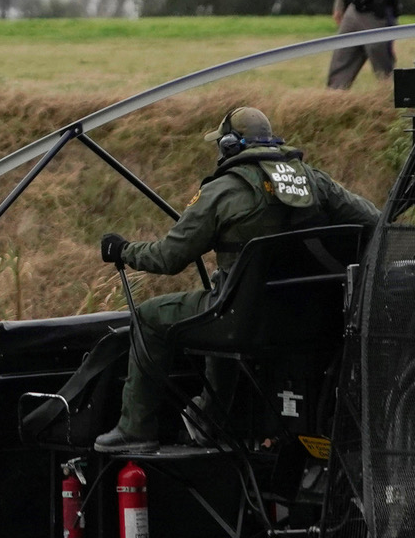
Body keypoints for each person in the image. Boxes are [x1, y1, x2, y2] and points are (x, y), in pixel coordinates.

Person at [93, 107, 381, 453]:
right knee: (224, 301)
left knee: (152, 317)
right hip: (312, 323)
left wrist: (123, 250)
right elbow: (376, 221)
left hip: (242, 321)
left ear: (230, 145)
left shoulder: (222, 192)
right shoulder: (314, 181)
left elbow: (167, 258)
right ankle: (210, 419)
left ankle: (135, 430)